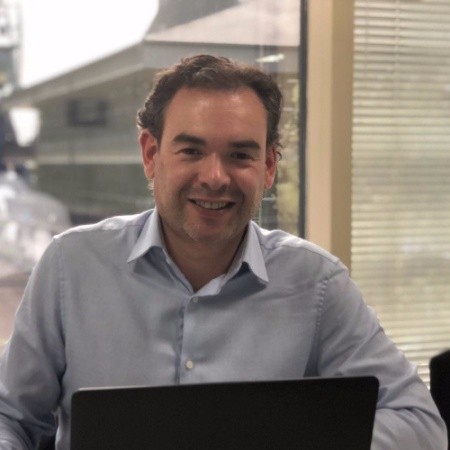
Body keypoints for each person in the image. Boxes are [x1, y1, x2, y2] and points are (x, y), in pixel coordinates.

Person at [0, 54, 446, 449]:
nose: (215, 177)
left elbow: (421, 424)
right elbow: (8, 415)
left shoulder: (317, 284)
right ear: (151, 154)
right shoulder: (72, 266)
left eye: (240, 155)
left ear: (267, 167)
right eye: (191, 150)